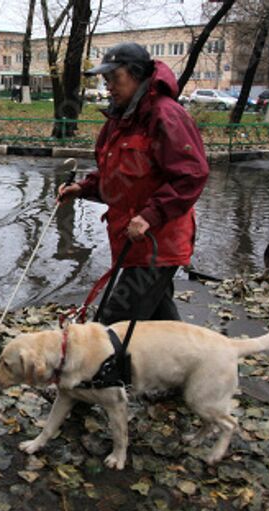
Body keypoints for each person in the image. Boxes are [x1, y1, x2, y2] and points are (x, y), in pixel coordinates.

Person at [58, 42, 209, 325]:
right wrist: (83, 188)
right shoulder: (120, 118)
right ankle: (184, 365)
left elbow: (192, 174)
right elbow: (116, 175)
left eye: (115, 78)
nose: (109, 87)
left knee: (113, 326)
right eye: (106, 80)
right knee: (158, 323)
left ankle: (109, 370)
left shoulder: (166, 116)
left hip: (157, 244)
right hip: (132, 242)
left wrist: (150, 216)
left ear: (138, 75)